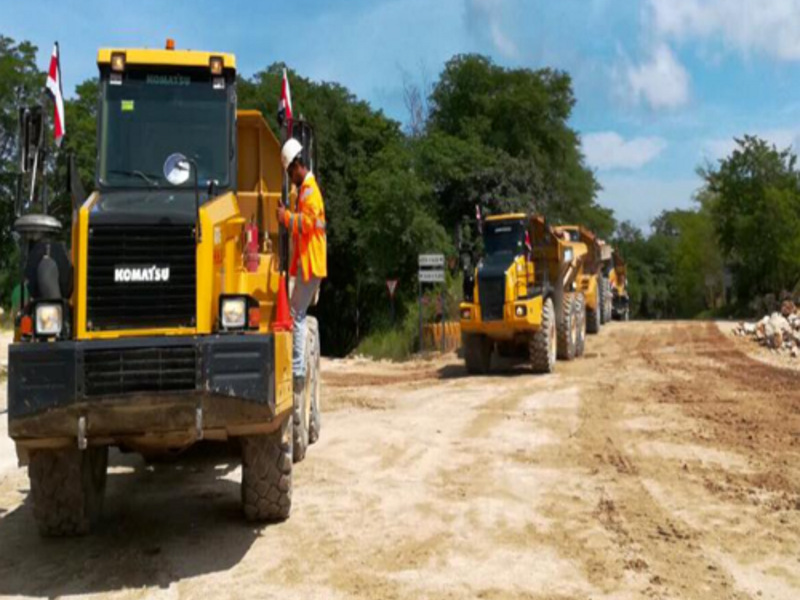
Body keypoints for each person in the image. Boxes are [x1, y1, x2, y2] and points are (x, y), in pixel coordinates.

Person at [277, 139, 327, 390]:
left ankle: (297, 372)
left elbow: (306, 223)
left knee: (297, 315)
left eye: (289, 172)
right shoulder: (305, 191)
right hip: (308, 263)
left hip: (311, 264)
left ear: (297, 165)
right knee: (297, 313)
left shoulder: (310, 191)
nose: (290, 176)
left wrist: (285, 217)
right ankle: (297, 368)